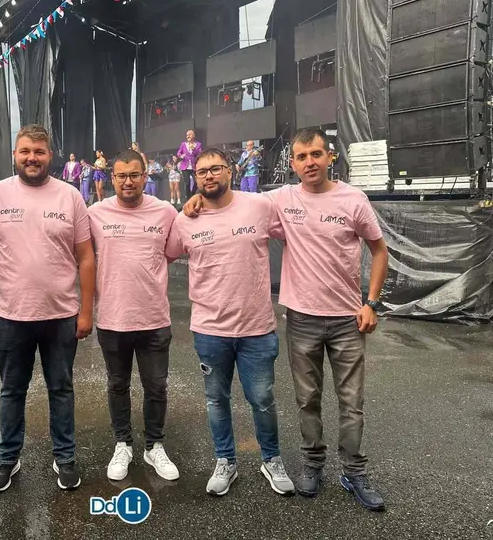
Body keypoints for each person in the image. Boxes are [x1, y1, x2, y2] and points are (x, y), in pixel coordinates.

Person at [182, 129, 389, 511]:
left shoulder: (353, 199)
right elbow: (228, 202)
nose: (309, 162)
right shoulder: (276, 200)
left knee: (351, 402)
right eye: (301, 157)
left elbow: (379, 249)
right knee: (306, 399)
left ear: (330, 157)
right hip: (301, 318)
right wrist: (198, 199)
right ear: (291, 164)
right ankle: (311, 467)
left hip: (347, 318)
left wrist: (371, 303)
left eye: (315, 154)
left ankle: (354, 472)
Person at [0, 124, 95, 493]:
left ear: (50, 156)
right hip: (12, 316)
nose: (31, 158)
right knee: (11, 390)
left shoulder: (69, 196)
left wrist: (86, 312)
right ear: (14, 155)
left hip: (61, 315)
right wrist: (3, 275)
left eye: (38, 152)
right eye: (25, 151)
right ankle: (8, 457)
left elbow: (86, 258)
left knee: (61, 388)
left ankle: (65, 457)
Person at [165, 147, 294, 497]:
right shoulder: (184, 220)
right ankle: (225, 461)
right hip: (209, 330)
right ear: (195, 177)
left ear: (230, 172)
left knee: (263, 399)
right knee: (216, 400)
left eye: (216, 168)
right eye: (202, 171)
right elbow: (165, 254)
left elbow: (298, 235)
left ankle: (271, 460)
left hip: (257, 328)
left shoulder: (260, 206)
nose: (209, 175)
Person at [88, 148, 180, 483]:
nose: (128, 181)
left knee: (156, 386)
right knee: (117, 385)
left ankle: (154, 446)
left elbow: (172, 252)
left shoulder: (166, 212)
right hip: (113, 319)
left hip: (155, 318)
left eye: (134, 175)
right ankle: (123, 443)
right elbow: (80, 260)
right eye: (121, 175)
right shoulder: (95, 213)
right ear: (112, 178)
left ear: (145, 176)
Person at [176, 129, 202, 203]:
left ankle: (192, 194)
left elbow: (200, 154)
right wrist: (181, 155)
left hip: (194, 166)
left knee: (197, 182)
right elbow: (178, 153)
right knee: (187, 183)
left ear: (193, 135)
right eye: (187, 135)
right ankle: (188, 200)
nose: (188, 136)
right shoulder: (183, 144)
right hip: (185, 166)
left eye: (189, 135)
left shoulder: (198, 144)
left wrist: (195, 150)